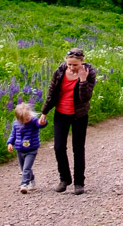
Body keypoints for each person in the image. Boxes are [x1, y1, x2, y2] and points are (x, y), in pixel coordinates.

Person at [38, 47, 96, 195]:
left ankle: (79, 183)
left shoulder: (89, 73)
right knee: (58, 147)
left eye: (75, 65)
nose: (71, 67)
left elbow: (85, 98)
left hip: (79, 115)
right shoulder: (60, 72)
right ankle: (64, 179)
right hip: (61, 113)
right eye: (69, 64)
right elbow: (52, 93)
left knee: (78, 148)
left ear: (82, 62)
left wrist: (82, 80)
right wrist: (44, 112)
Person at [6, 102, 45, 193]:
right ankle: (31, 180)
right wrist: (10, 143)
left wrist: (42, 122)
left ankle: (24, 184)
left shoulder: (34, 121)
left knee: (26, 168)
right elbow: (13, 134)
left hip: (31, 149)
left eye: (28, 117)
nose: (27, 120)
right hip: (20, 149)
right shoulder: (16, 124)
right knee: (24, 167)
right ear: (19, 119)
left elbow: (40, 125)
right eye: (24, 119)